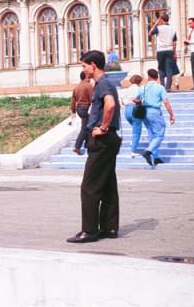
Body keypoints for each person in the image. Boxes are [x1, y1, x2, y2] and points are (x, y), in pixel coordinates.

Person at [67, 50, 121, 244]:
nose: (83, 69)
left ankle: (89, 231)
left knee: (89, 186)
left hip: (102, 140)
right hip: (109, 140)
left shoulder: (103, 84)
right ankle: (109, 227)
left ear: (93, 66)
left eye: (84, 65)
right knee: (107, 184)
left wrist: (103, 127)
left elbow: (110, 104)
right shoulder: (104, 83)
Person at [133, 69, 175, 167]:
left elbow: (135, 99)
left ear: (148, 77)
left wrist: (140, 101)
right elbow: (166, 102)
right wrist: (171, 115)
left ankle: (155, 158)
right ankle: (148, 151)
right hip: (154, 111)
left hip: (144, 113)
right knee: (159, 135)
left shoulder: (142, 87)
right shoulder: (160, 88)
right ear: (157, 77)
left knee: (152, 135)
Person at [149, 13, 177, 92]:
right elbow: (175, 42)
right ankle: (168, 87)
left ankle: (162, 86)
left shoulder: (159, 28)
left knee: (161, 68)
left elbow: (150, 33)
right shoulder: (173, 29)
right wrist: (174, 52)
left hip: (160, 50)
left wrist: (155, 24)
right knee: (169, 69)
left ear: (161, 20)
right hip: (169, 50)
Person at [70, 71, 93, 156]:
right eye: (89, 77)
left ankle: (87, 144)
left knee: (87, 126)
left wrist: (73, 111)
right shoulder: (89, 86)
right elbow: (92, 99)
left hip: (79, 108)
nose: (90, 79)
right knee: (85, 128)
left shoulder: (76, 87)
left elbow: (73, 100)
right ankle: (77, 146)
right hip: (86, 108)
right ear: (86, 77)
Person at [121, 75, 143, 157]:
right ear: (139, 81)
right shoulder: (138, 89)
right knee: (137, 130)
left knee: (134, 127)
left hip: (127, 110)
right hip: (135, 109)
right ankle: (133, 151)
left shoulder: (127, 89)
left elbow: (122, 101)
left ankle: (133, 141)